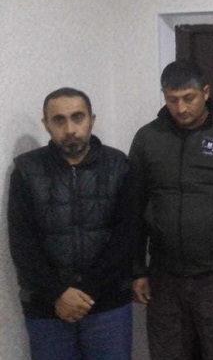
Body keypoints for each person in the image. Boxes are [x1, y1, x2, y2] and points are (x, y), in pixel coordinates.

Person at [129, 60, 213, 360]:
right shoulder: (148, 138)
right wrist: (137, 270)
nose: (180, 108)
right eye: (172, 99)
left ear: (205, 92)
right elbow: (133, 208)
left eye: (188, 98)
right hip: (164, 276)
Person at [8, 87, 135, 359]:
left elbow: (126, 237)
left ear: (92, 119)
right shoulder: (26, 171)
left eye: (78, 117)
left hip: (108, 304)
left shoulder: (118, 166)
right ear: (46, 124)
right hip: (47, 308)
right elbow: (22, 243)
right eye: (59, 120)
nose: (70, 129)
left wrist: (87, 292)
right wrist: (59, 294)